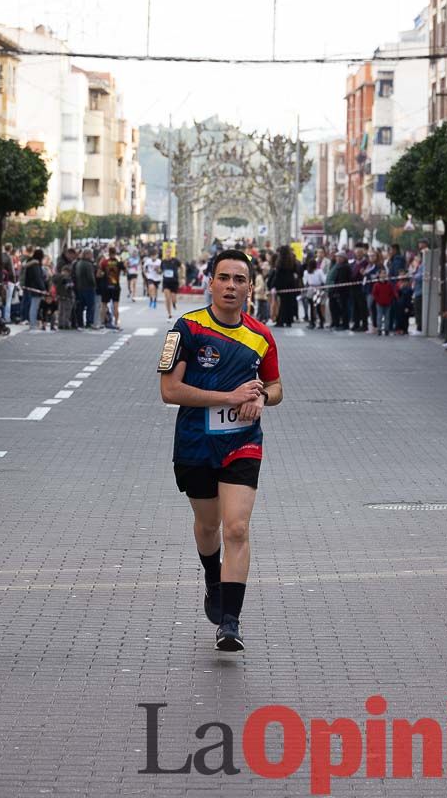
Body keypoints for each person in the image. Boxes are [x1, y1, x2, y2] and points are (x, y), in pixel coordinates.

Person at [158, 249, 282, 652]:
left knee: (237, 528)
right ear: (210, 282)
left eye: (239, 280)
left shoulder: (261, 336)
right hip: (195, 443)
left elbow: (277, 387)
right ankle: (214, 578)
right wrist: (228, 396)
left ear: (250, 287)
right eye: (224, 278)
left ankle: (230, 621)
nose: (231, 286)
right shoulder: (187, 328)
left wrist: (261, 395)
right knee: (209, 526)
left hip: (242, 442)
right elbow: (169, 391)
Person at [99, 248, 126, 330]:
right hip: (115, 286)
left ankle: (102, 323)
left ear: (109, 252)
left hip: (106, 286)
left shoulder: (104, 262)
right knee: (115, 305)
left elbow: (99, 273)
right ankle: (116, 323)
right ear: (115, 253)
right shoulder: (118, 262)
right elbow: (125, 271)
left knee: (103, 305)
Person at [23, 253, 48, 330]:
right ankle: (33, 323)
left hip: (30, 287)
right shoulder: (35, 265)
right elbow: (38, 278)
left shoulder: (30, 264)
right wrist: (43, 288)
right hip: (36, 288)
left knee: (33, 305)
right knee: (34, 306)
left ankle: (33, 322)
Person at [74, 249, 98, 329]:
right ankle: (89, 322)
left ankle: (80, 322)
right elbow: (91, 277)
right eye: (91, 254)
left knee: (80, 306)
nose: (92, 256)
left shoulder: (78, 263)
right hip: (88, 288)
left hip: (80, 287)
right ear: (87, 254)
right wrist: (94, 285)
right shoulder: (88, 264)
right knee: (90, 306)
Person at [162, 255, 182, 320]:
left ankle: (174, 303)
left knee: (173, 298)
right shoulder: (163, 262)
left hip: (174, 282)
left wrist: (183, 277)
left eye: (169, 252)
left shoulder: (175, 261)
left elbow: (182, 267)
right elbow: (161, 270)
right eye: (167, 252)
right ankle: (169, 314)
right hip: (166, 282)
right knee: (167, 298)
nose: (168, 253)